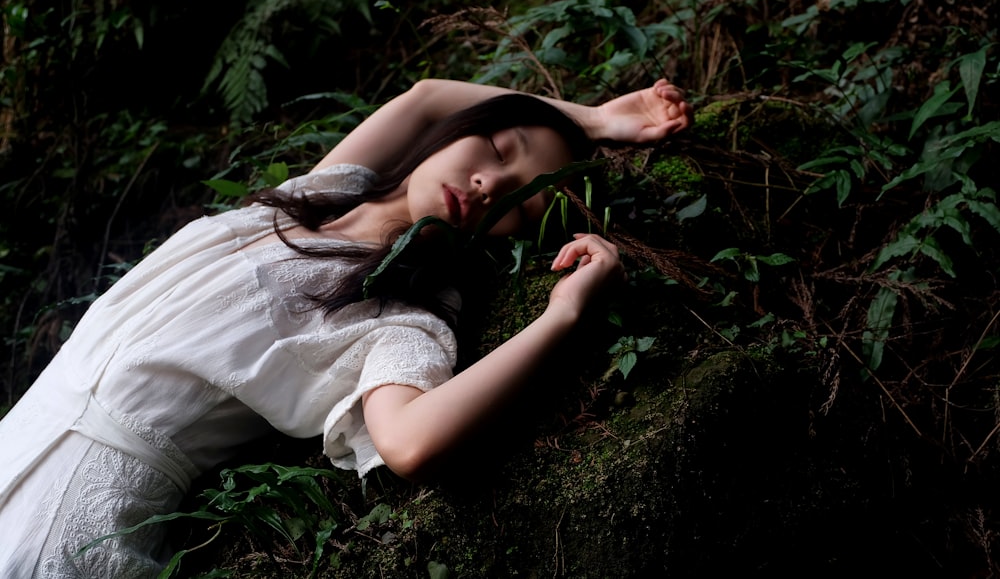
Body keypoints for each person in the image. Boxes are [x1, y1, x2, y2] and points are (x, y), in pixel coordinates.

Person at [0, 77, 692, 576]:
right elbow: (423, 97)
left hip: (73, 518)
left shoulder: (398, 312)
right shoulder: (317, 196)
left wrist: (562, 314)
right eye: (496, 147)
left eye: (514, 200)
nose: (488, 183)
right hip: (19, 439)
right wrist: (595, 120)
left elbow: (410, 441)